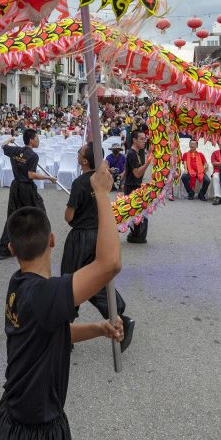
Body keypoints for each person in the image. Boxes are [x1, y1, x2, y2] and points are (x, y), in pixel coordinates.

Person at [0, 161, 123, 440]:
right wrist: (103, 194)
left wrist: (98, 328)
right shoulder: (44, 294)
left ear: (12, 249)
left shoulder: (19, 284)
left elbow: (51, 333)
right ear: (53, 241)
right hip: (32, 437)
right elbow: (109, 264)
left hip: (23, 420)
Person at [61, 142, 134, 352]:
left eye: (79, 152)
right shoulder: (103, 180)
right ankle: (117, 312)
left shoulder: (80, 183)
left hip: (81, 238)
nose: (77, 154)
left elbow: (69, 216)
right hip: (99, 234)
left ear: (85, 160)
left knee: (70, 281)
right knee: (94, 280)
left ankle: (65, 329)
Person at [0, 129, 55, 259]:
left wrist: (10, 140)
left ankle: (4, 250)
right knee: (39, 214)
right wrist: (49, 178)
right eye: (37, 138)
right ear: (31, 140)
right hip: (26, 188)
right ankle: (40, 245)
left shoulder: (16, 151)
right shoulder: (33, 156)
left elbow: (3, 146)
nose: (38, 141)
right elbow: (31, 174)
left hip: (15, 186)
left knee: (13, 217)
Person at [124, 130, 151, 244]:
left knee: (139, 211)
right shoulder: (131, 154)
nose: (144, 141)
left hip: (135, 185)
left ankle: (137, 236)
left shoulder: (137, 153)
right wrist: (148, 163)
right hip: (132, 186)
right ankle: (137, 236)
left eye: (145, 139)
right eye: (141, 139)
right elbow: (137, 174)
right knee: (137, 212)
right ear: (134, 140)